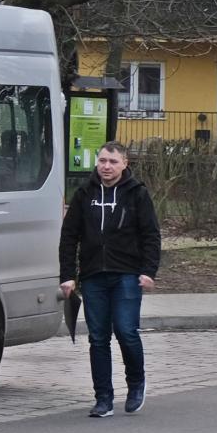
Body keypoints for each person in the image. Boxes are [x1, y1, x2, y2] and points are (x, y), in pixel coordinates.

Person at [59, 142, 162, 418]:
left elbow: (151, 235)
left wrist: (148, 271)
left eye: (113, 162)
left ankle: (136, 383)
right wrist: (68, 275)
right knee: (98, 338)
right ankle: (103, 398)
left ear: (124, 163)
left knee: (126, 331)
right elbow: (69, 236)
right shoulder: (84, 194)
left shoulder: (137, 194)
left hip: (127, 274)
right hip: (93, 276)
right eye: (102, 161)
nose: (106, 166)